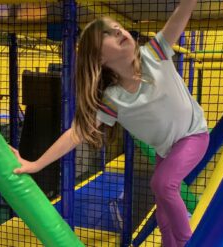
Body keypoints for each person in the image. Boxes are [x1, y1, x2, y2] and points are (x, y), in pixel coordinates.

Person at [11, 1, 208, 246]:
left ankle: (190, 242)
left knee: (163, 183)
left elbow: (179, 18)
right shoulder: (113, 98)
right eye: (108, 33)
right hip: (166, 150)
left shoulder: (154, 54)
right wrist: (36, 164)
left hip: (194, 135)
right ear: (100, 58)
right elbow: (77, 133)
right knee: (162, 205)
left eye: (118, 28)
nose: (118, 31)